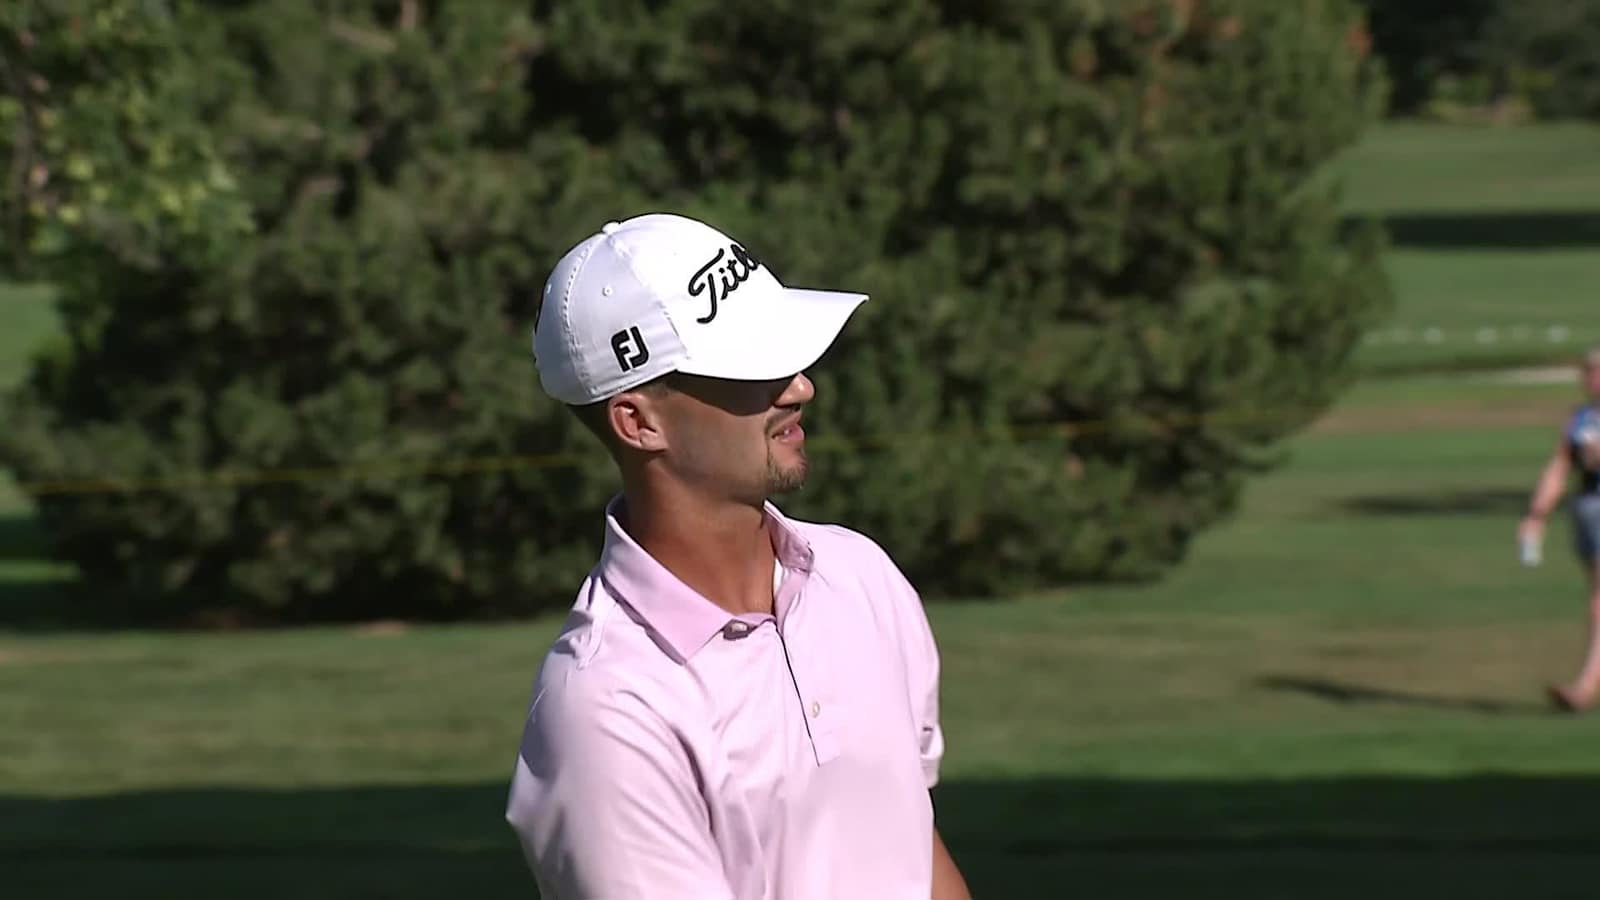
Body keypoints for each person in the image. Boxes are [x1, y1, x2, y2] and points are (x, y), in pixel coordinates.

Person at [505, 213, 972, 900]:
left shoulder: (859, 574)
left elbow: (911, 844)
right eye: (751, 365)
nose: (799, 386)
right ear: (639, 421)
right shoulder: (605, 708)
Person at [1521, 347, 1600, 712]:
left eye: (1595, 371)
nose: (1589, 378)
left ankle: (1585, 688)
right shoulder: (1582, 418)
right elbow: (1559, 467)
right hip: (1588, 512)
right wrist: (1537, 515)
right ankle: (1585, 686)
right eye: (1587, 372)